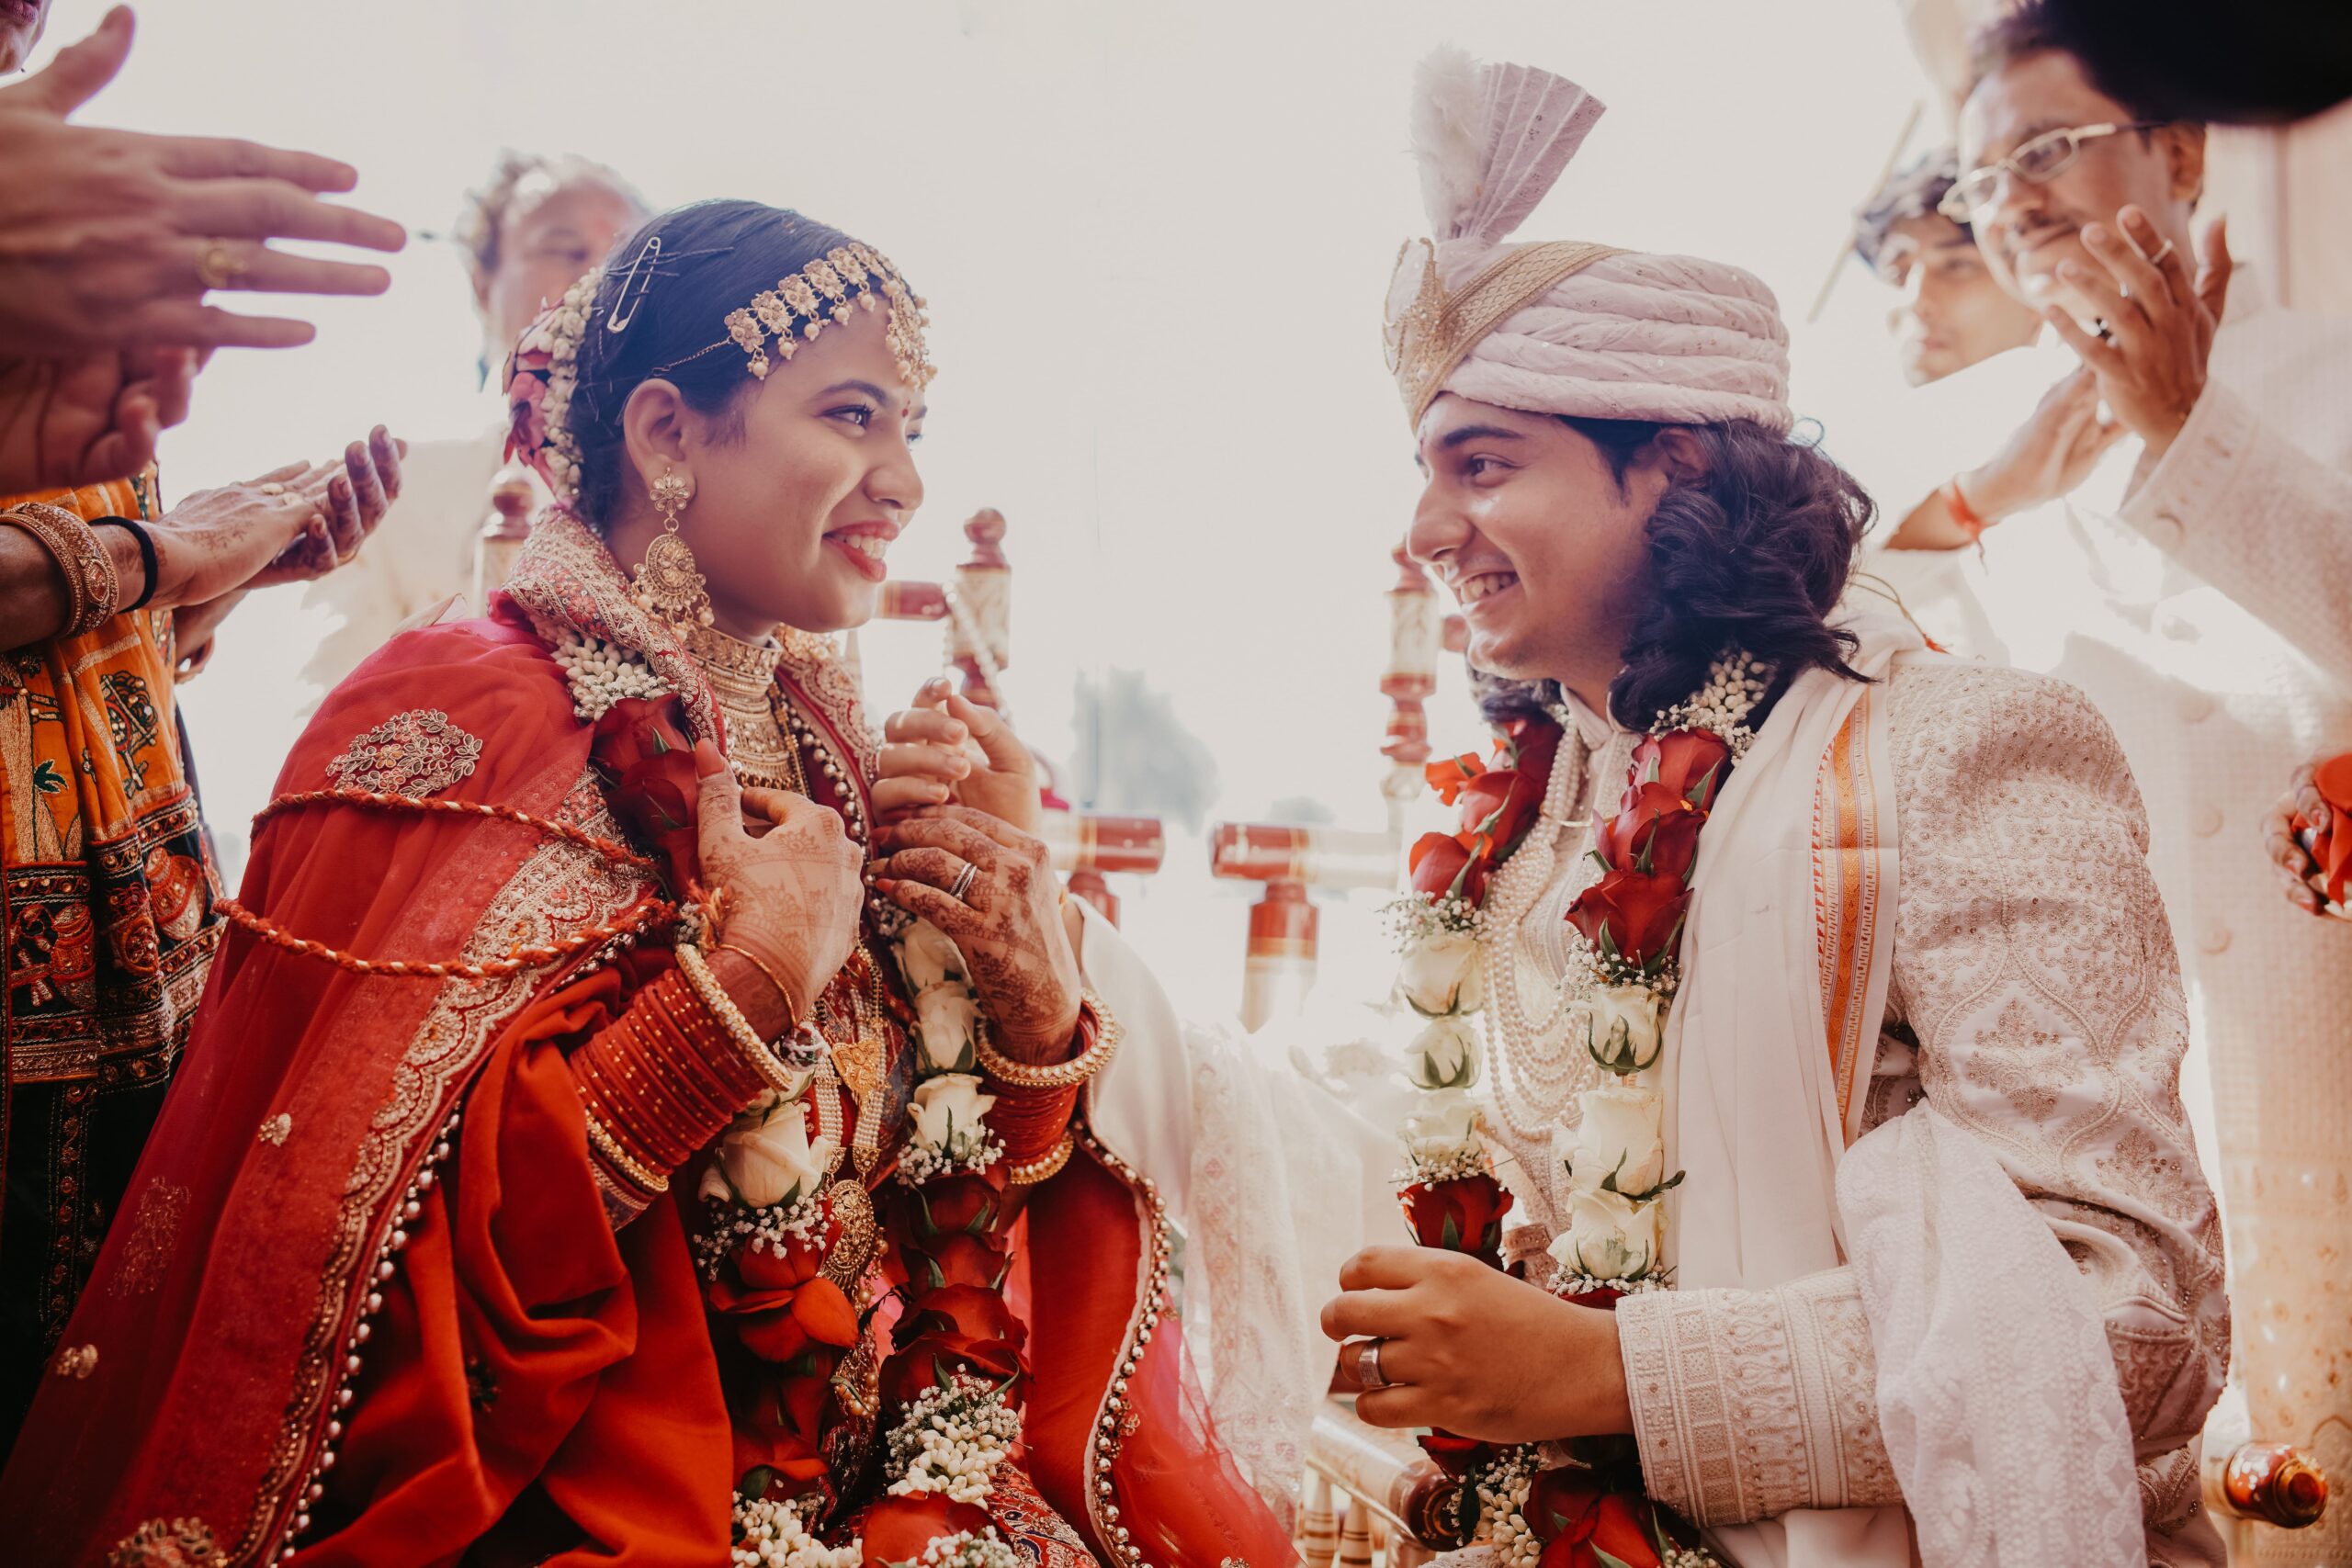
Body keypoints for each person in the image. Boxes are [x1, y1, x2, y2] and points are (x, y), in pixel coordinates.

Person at [1, 199, 1301, 1568]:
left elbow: (943, 1210)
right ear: (668, 432)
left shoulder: (839, 748)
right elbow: (376, 1285)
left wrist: (1030, 1004)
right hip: (587, 1505)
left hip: (890, 1497)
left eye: (914, 428)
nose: (904, 480)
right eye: (852, 416)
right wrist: (742, 989)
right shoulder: (464, 716)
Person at [1318, 51, 2223, 1566]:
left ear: (1671, 468)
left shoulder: (1956, 751)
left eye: (1482, 463)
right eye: (1426, 469)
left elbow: (2138, 1321)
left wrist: (1608, 1374)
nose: (1424, 528)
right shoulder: (1521, 824)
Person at [1933, 10, 2352, 1537]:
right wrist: (1976, 496)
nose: (2016, 201)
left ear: (2179, 150)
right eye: (1982, 181)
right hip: (2116, 1169)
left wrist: (2189, 425)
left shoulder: (2337, 376)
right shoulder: (1983, 465)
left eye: (2050, 148)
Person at [303, 152, 648, 691]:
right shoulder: (390, 497)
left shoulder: (709, 501)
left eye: (631, 260)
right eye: (567, 250)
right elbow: (328, 715)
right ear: (482, 284)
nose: (603, 280)